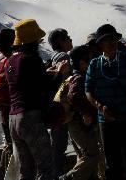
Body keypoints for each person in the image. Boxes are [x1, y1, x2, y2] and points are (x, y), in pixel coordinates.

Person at [85, 24, 126, 180]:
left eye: (113, 39)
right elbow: (88, 91)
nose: (111, 42)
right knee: (112, 162)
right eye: (106, 40)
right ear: (100, 45)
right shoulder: (94, 65)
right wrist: (100, 107)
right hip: (106, 121)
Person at [7, 19, 55, 180]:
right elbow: (44, 87)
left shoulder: (10, 61)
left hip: (13, 118)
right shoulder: (31, 59)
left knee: (25, 171)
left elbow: (24, 83)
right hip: (30, 117)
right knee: (45, 167)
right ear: (32, 41)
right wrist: (60, 73)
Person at [57, 44, 103, 180]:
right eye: (89, 60)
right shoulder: (79, 78)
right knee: (92, 154)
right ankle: (68, 178)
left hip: (75, 124)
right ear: (82, 63)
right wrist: (85, 113)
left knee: (84, 156)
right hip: (79, 124)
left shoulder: (72, 77)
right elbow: (73, 97)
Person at [47, 28, 76, 179]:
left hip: (55, 106)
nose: (71, 39)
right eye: (67, 37)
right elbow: (65, 84)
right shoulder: (64, 56)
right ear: (60, 41)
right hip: (62, 107)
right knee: (59, 145)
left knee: (57, 143)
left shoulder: (52, 56)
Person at [0, 28, 16, 180]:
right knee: (17, 150)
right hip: (15, 112)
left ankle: (2, 176)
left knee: (9, 146)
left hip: (5, 113)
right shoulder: (12, 60)